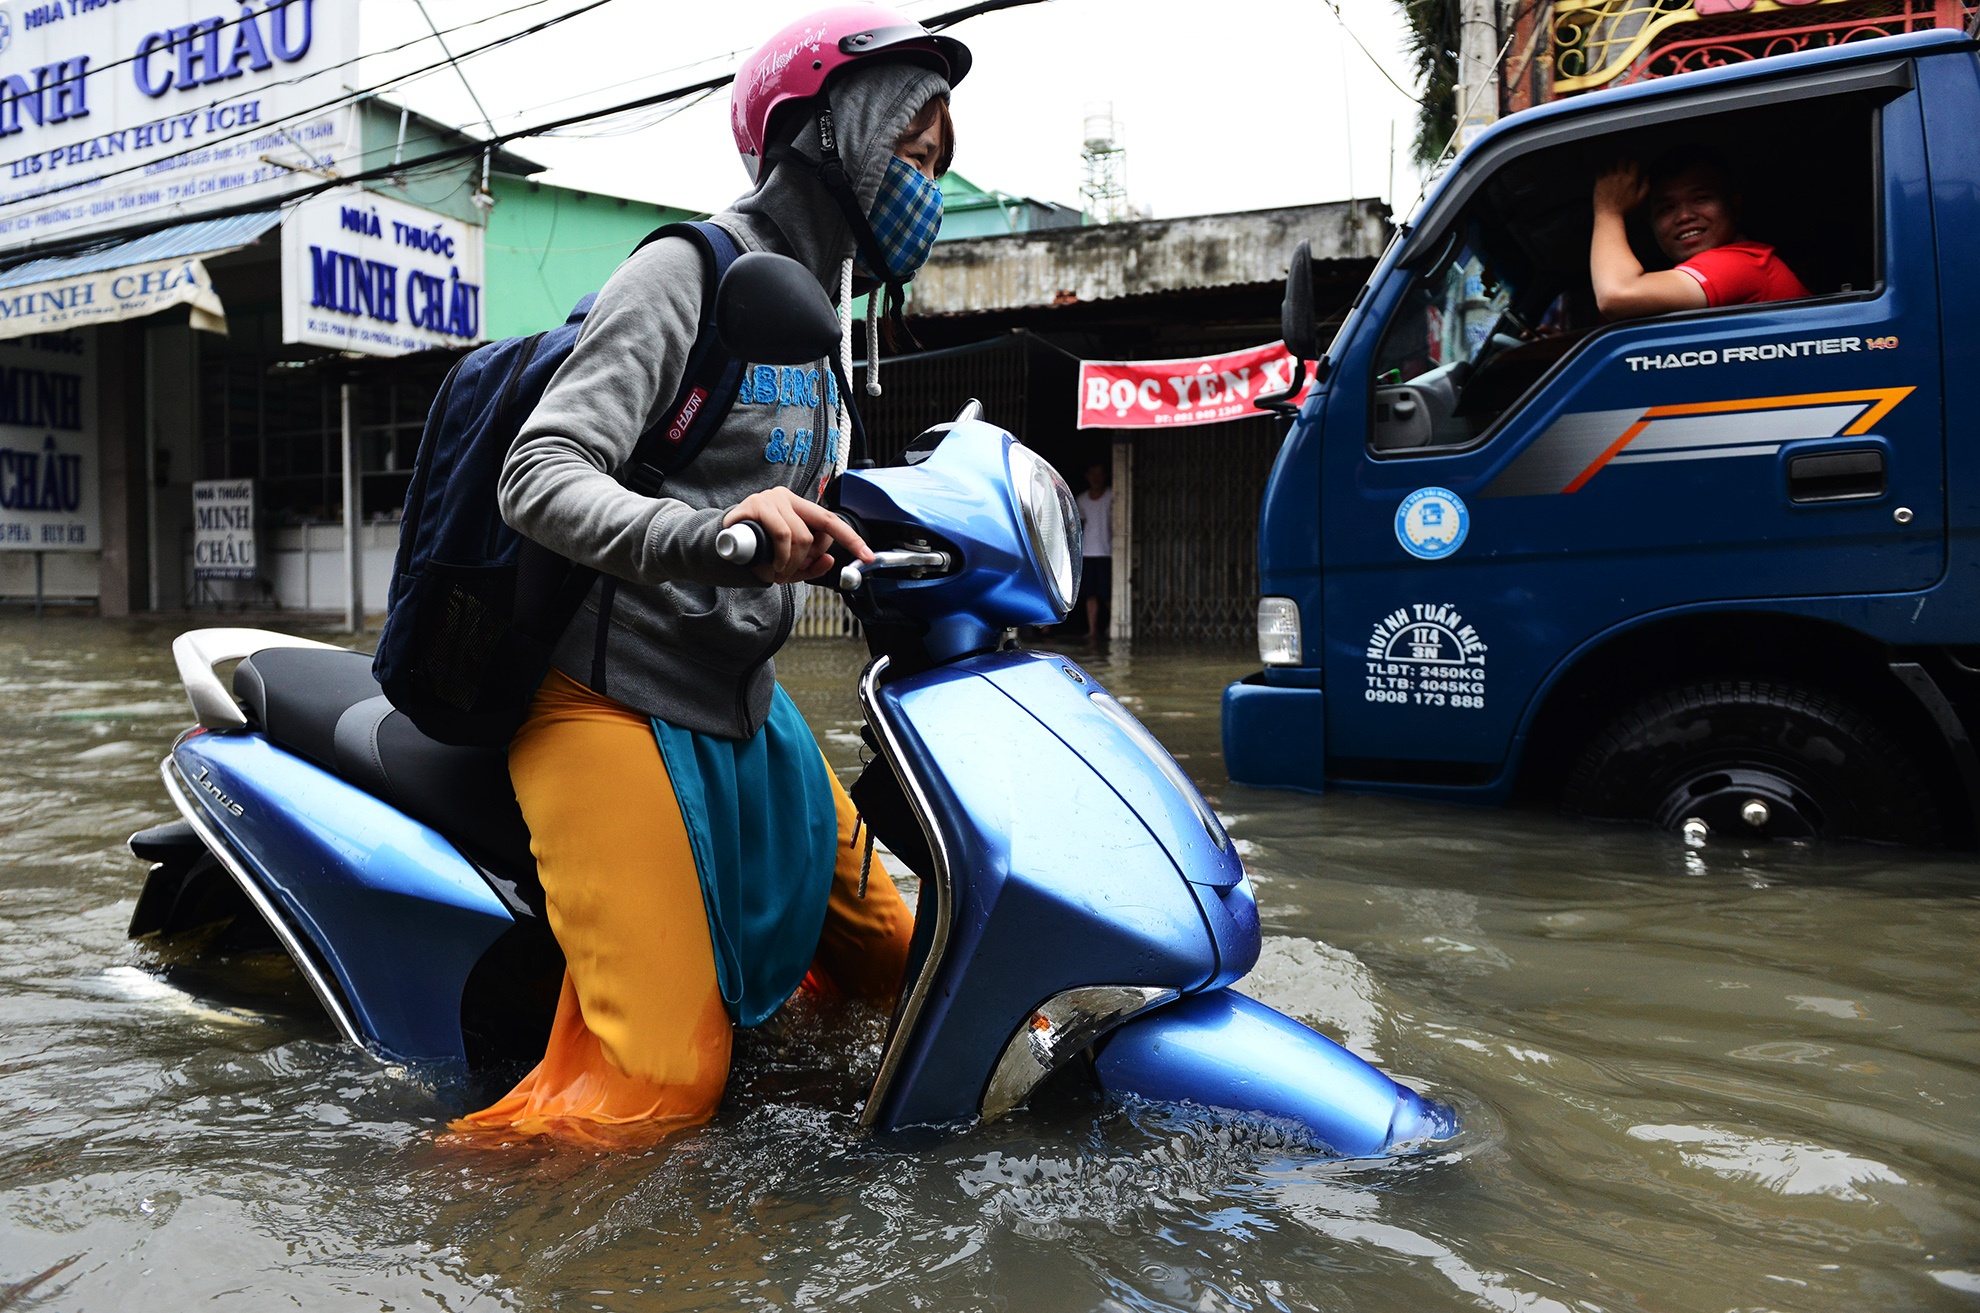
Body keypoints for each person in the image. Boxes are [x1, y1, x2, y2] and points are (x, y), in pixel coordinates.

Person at [453, 8, 969, 1142]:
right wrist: (708, 531)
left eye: (938, 166)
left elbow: (792, 498)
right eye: (911, 155)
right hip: (605, 695)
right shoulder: (686, 272)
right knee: (658, 1090)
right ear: (827, 132)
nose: (928, 187)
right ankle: (445, 1213)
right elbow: (538, 473)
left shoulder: (821, 322)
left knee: (903, 957)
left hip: (740, 699)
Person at [1589, 145, 1809, 322]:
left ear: (1734, 207)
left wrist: (1608, 211)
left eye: (1701, 199)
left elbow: (1617, 295)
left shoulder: (1743, 264)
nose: (1684, 216)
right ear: (1652, 225)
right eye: (1667, 208)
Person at [1075, 461, 1112, 642]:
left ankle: (1114, 628)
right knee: (1090, 594)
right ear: (1087, 476)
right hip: (1088, 552)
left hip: (1108, 552)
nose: (1096, 479)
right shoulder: (1081, 500)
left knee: (1107, 594)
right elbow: (1079, 527)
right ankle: (1092, 630)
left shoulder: (1113, 496)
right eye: (1093, 474)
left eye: (1100, 474)